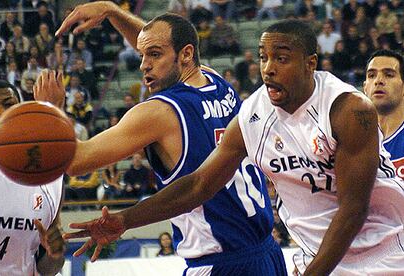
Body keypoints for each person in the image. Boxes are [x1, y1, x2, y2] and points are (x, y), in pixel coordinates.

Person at [59, 19, 404, 275]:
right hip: (306, 256)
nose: (268, 68)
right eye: (263, 57)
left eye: (281, 59)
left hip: (386, 251)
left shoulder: (348, 110)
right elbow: (199, 185)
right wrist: (124, 219)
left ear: (310, 64)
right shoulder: (249, 111)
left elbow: (353, 211)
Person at [43, 2, 286, 275]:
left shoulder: (159, 112)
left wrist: (50, 110)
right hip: (267, 252)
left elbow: (74, 162)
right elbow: (162, 42)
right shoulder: (216, 81)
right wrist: (112, 12)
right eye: (142, 56)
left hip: (220, 263)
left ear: (186, 54)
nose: (144, 66)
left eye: (153, 55)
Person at [0, 79, 65, 275]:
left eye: (8, 104)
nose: (0, 112)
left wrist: (54, 253)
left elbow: (48, 269)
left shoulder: (50, 174)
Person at [364, 49, 404, 180]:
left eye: (388, 74)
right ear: (364, 88)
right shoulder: (351, 139)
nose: (378, 81)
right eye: (371, 75)